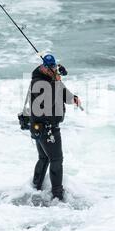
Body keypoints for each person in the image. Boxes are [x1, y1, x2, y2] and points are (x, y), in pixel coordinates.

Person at [28, 52, 81, 201]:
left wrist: (72, 98)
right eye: (50, 68)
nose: (53, 70)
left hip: (39, 127)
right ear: (43, 68)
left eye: (53, 67)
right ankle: (57, 195)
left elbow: (61, 90)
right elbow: (47, 104)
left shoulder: (48, 76)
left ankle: (35, 188)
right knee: (56, 159)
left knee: (44, 157)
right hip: (46, 127)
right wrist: (56, 81)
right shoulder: (38, 84)